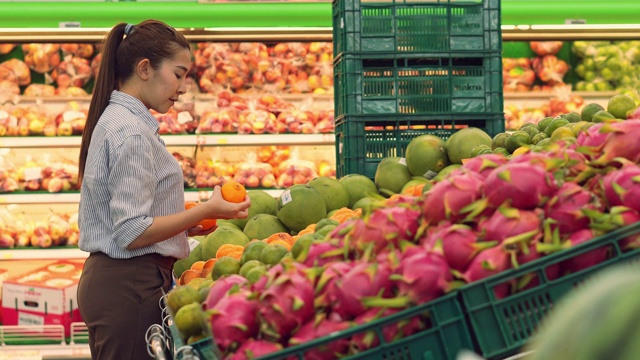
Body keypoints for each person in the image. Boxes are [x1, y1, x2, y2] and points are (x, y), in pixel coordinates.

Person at [76, 20, 251, 360]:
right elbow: (131, 230)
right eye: (179, 73)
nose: (183, 87)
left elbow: (130, 219)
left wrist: (187, 222)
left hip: (119, 283)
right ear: (145, 68)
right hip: (130, 285)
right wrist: (206, 210)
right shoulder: (132, 133)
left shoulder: (121, 121)